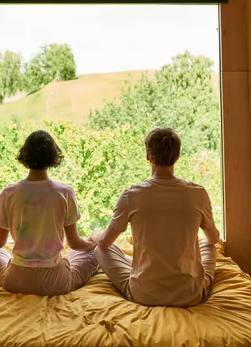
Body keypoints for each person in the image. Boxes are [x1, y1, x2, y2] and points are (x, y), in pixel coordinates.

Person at [91, 127, 220, 307]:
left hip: (144, 294)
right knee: (209, 244)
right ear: (178, 155)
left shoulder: (131, 195)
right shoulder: (197, 194)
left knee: (100, 250)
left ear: (148, 156)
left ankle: (140, 269)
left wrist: (95, 235)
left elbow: (104, 243)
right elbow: (213, 238)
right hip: (190, 295)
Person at [0, 130, 98, 296]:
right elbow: (74, 244)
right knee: (94, 254)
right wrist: (93, 244)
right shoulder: (65, 193)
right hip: (56, 282)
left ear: (25, 156)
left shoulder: (9, 193)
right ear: (53, 157)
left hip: (16, 281)